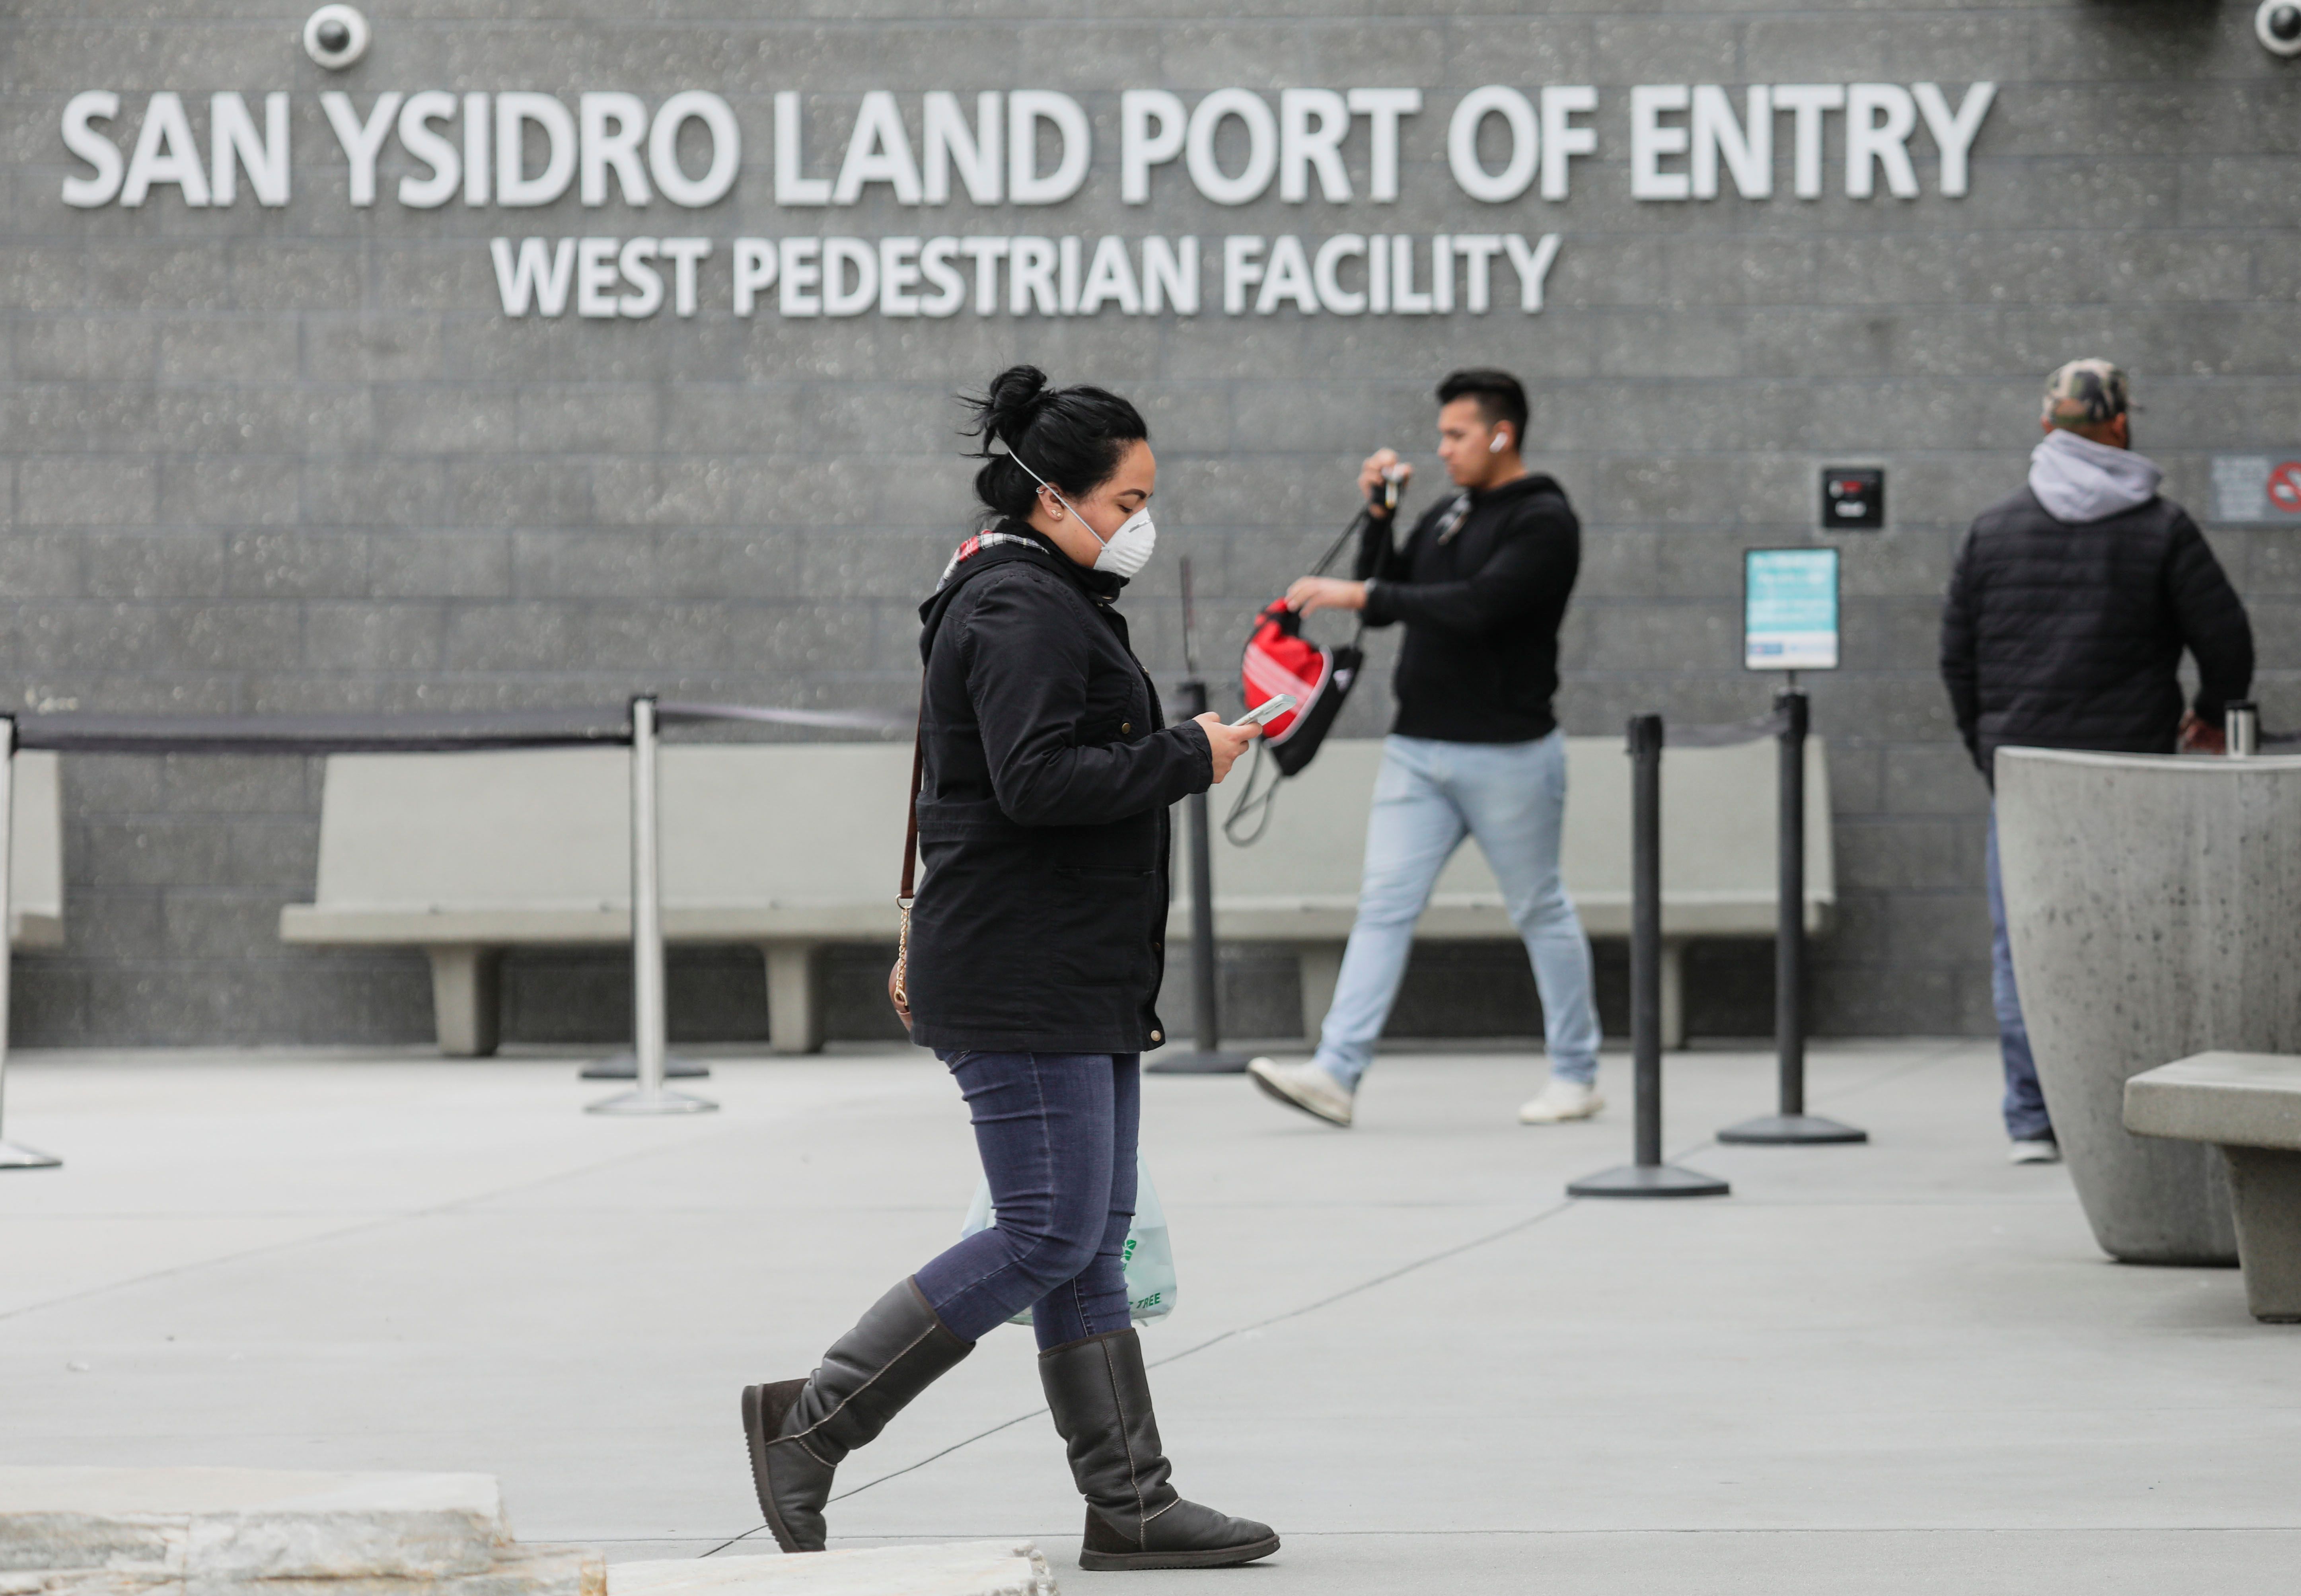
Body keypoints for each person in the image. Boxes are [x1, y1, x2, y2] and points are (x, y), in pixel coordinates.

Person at [739, 366, 1277, 1573]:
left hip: (1072, 968)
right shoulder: (1019, 608)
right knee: (1044, 1231)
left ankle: (1132, 1501)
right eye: (1128, 496)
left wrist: (1173, 749)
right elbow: (1036, 782)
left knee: (1089, 1238)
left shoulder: (1045, 595)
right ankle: (809, 1419)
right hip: (1025, 969)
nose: (1144, 517)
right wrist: (1188, 751)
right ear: (1054, 498)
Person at [1246, 368, 1603, 1129]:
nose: (1442, 449)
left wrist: (1359, 595)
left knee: (1540, 907)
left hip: (1509, 753)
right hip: (1418, 751)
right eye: (1441, 434)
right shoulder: (1451, 510)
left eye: (1457, 435)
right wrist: (1381, 516)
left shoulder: (1544, 521)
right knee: (1382, 908)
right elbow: (1386, 597)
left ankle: (1577, 1074)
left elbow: (1476, 608)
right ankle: (1336, 1074)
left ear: (1502, 434)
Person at [1940, 358, 2253, 1166]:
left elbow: (1957, 662)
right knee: (2145, 941)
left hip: (2027, 776)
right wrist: (2212, 718)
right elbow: (2228, 642)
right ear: (2118, 426)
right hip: (2135, 775)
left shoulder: (1993, 528)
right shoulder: (2162, 528)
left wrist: (1992, 756)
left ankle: (2034, 1118)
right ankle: (2131, 1103)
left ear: (2050, 428)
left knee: (2023, 944)